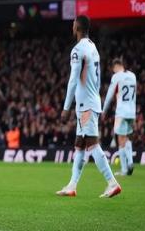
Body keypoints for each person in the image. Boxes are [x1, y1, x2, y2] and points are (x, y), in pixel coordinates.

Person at [56, 15, 121, 198]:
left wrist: (66, 107)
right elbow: (96, 79)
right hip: (91, 101)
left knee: (92, 144)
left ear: (77, 27)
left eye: (73, 24)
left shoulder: (78, 50)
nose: (71, 26)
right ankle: (72, 185)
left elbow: (73, 80)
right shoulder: (93, 47)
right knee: (79, 145)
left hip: (86, 105)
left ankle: (112, 182)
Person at [102, 57, 136, 176]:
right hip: (132, 112)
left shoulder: (116, 77)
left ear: (115, 66)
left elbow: (109, 95)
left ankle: (125, 169)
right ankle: (130, 162)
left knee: (121, 139)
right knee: (127, 138)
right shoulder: (132, 76)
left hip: (121, 112)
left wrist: (104, 111)